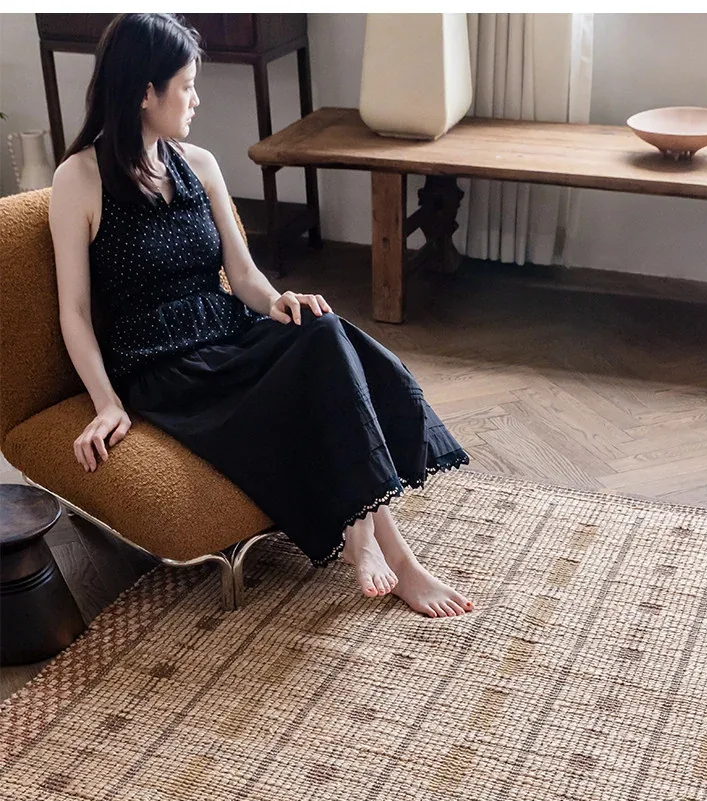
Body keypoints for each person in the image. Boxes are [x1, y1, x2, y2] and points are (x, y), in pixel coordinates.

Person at [48, 12, 475, 619]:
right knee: (321, 361)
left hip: (229, 336)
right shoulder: (80, 179)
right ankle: (394, 556)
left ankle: (365, 536)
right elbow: (74, 312)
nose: (196, 99)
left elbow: (243, 276)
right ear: (146, 92)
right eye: (187, 86)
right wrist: (107, 403)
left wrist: (278, 302)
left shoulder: (198, 165)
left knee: (321, 327)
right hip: (166, 369)